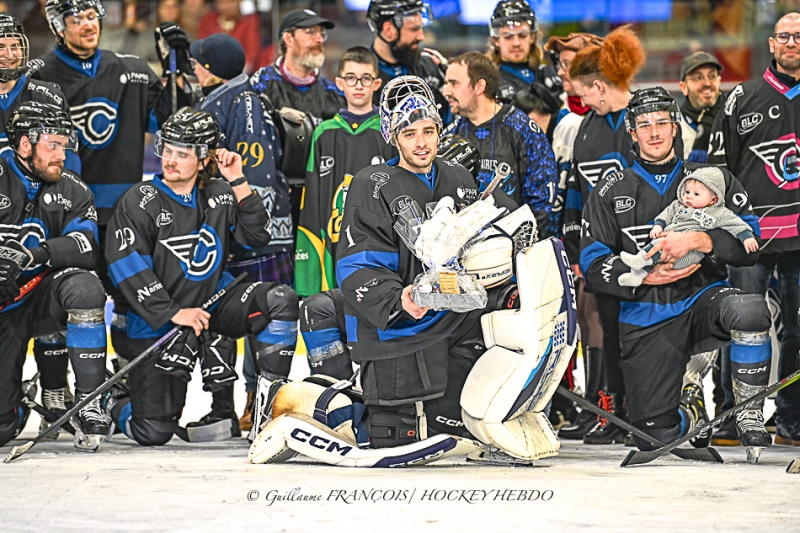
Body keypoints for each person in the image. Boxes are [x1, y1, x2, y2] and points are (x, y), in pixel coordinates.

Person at [249, 76, 576, 466]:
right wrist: (399, 299)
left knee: (451, 419)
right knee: (385, 436)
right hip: (397, 327)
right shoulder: (372, 184)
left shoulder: (456, 176)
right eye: (409, 133)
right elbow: (357, 263)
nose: (422, 142)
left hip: (454, 320)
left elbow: (486, 236)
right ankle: (303, 401)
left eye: (429, 130)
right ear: (393, 136)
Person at [581, 88, 773, 462]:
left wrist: (703, 239)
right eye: (644, 125)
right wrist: (640, 277)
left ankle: (749, 412)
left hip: (704, 301)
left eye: (662, 123)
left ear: (676, 127)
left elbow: (752, 243)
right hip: (644, 315)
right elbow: (592, 261)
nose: (654, 132)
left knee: (750, 309)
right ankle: (690, 411)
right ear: (632, 134)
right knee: (653, 436)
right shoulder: (609, 189)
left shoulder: (713, 178)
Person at [103, 108, 299, 446]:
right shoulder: (139, 200)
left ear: (205, 158)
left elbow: (258, 237)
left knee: (280, 300)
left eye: (183, 153)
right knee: (152, 432)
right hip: (158, 320)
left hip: (212, 303)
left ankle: (268, 412)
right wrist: (173, 312)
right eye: (167, 150)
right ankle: (109, 398)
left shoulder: (220, 192)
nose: (170, 159)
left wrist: (237, 180)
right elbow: (125, 264)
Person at [28, 0, 194, 371]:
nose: (88, 25)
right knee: (56, 299)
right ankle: (56, 387)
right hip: (61, 216)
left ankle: (126, 377)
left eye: (92, 17)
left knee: (127, 298)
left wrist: (178, 75)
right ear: (58, 27)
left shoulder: (133, 71)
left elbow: (169, 127)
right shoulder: (38, 75)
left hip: (123, 216)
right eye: (76, 19)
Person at [189, 33, 293, 433]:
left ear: (213, 69)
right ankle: (231, 404)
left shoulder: (242, 101)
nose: (195, 69)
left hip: (256, 237)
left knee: (257, 321)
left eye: (199, 62)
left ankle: (260, 401)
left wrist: (249, 228)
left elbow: (258, 173)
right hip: (240, 231)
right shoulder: (224, 97)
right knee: (236, 320)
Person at [708, 12, 800, 448]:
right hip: (750, 239)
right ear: (771, 43)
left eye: (799, 37)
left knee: (797, 332)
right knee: (743, 326)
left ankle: (790, 422)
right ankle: (731, 418)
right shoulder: (740, 97)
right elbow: (715, 176)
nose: (792, 43)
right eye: (785, 36)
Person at [0, 102, 108, 451]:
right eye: (53, 145)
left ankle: (86, 399)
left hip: (40, 297)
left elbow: (86, 245)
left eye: (65, 145)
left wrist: (36, 254)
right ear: (25, 145)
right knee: (2, 428)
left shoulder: (73, 188)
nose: (62, 155)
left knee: (85, 288)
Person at [563, 26, 646, 445]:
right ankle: (612, 409)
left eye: (584, 92)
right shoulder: (586, 128)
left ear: (598, 86)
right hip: (600, 251)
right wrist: (579, 250)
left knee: (638, 331)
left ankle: (643, 408)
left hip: (640, 248)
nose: (582, 101)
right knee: (607, 329)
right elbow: (576, 192)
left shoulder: (642, 120)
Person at [543, 30, 608, 439]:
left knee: (598, 315)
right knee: (582, 317)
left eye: (574, 61)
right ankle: (592, 403)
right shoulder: (567, 122)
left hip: (607, 236)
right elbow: (566, 188)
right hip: (575, 232)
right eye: (561, 62)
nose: (564, 69)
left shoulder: (606, 116)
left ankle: (608, 403)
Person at [294, 46, 397, 299]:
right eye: (351, 78)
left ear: (377, 83)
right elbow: (312, 206)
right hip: (334, 242)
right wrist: (310, 275)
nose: (358, 85)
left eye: (365, 78)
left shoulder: (390, 133)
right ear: (340, 83)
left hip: (377, 243)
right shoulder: (323, 133)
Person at [442, 52, 559, 238]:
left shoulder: (523, 128)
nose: (446, 91)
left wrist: (525, 247)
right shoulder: (449, 135)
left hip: (517, 252)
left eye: (453, 83)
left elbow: (543, 199)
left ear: (479, 86)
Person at [250, 8, 345, 232]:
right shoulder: (260, 86)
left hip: (320, 202)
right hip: (271, 202)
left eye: (321, 33)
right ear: (288, 38)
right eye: (310, 32)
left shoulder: (334, 94)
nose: (319, 39)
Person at [618, 166, 759, 287]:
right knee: (658, 245)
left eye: (696, 194)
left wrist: (746, 237)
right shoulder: (678, 205)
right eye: (687, 192)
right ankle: (638, 275)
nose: (689, 197)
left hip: (690, 255)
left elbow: (735, 224)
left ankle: (640, 259)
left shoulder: (718, 213)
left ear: (713, 199)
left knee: (659, 246)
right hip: (668, 246)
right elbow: (666, 215)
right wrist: (658, 226)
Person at [366, 0, 450, 122]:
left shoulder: (432, 66)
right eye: (415, 29)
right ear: (389, 30)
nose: (421, 37)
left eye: (421, 28)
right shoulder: (360, 78)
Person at [486, 0, 561, 103]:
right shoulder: (488, 82)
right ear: (496, 40)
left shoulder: (555, 73)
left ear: (532, 37)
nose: (516, 43)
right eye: (508, 36)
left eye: (523, 35)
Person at [678, 52, 724, 163]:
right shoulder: (674, 127)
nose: (707, 83)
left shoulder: (735, 117)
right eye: (698, 78)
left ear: (719, 81)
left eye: (712, 76)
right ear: (683, 87)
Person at [197, 0, 261, 75]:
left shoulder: (249, 20)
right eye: (221, 3)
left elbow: (251, 53)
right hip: (210, 73)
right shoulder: (207, 20)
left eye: (230, 2)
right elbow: (201, 49)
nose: (226, 7)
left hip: (240, 74)